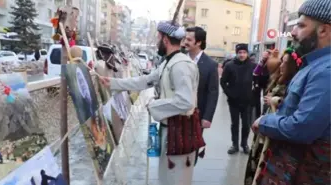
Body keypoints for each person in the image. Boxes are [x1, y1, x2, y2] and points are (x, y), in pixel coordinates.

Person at [100, 21, 204, 185]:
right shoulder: (169, 62)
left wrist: (154, 105)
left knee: (176, 180)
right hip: (171, 132)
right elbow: (146, 81)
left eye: (158, 37)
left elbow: (185, 101)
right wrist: (113, 83)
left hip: (180, 134)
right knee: (167, 179)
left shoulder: (181, 65)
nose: (156, 41)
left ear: (165, 39)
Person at [252, 0, 331, 184]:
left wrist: (264, 122)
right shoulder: (312, 65)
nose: (293, 32)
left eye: (302, 26)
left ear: (324, 31)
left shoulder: (326, 71)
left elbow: (303, 128)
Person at [244, 48, 300, 185]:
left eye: (285, 63)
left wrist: (276, 101)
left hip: (274, 133)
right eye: (280, 62)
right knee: (255, 163)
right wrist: (262, 61)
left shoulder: (293, 84)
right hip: (265, 127)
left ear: (292, 66)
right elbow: (256, 75)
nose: (281, 66)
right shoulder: (277, 79)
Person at [184, 26, 219, 164]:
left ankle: (188, 174)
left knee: (192, 149)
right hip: (177, 113)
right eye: (184, 38)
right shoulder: (179, 59)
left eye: (188, 39)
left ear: (198, 42)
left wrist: (207, 117)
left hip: (197, 115)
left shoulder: (210, 65)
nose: (185, 42)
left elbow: (213, 92)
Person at [220, 43, 256, 154]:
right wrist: (230, 94)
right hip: (234, 101)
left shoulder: (253, 65)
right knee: (234, 124)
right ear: (237, 53)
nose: (242, 55)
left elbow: (257, 80)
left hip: (247, 101)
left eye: (244, 52)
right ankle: (234, 145)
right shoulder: (230, 65)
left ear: (247, 53)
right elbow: (223, 82)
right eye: (240, 52)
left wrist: (253, 94)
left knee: (246, 124)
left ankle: (244, 144)